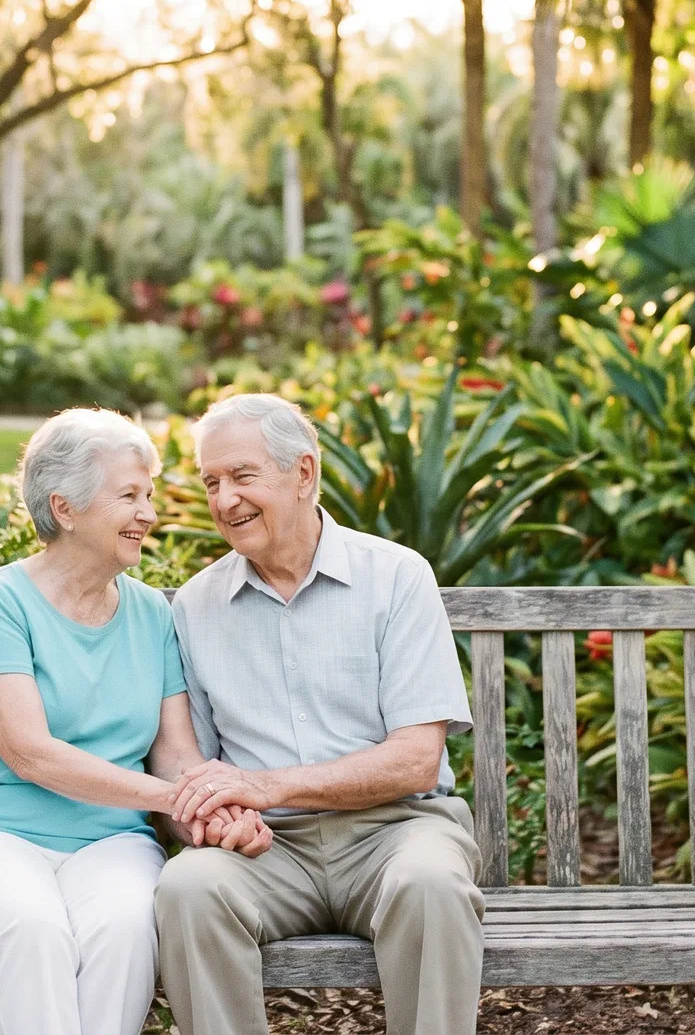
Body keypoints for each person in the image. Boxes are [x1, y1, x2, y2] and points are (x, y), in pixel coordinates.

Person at [0, 407, 272, 1035]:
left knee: (126, 928)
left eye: (149, 495)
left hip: (111, 843)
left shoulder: (152, 615)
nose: (149, 514)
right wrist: (176, 798)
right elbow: (32, 754)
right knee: (33, 927)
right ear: (65, 508)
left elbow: (176, 754)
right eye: (129, 496)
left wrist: (214, 808)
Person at [156, 393, 482, 1035]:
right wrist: (215, 818)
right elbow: (188, 761)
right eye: (212, 483)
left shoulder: (396, 577)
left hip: (396, 831)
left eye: (243, 477)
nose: (225, 501)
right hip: (267, 850)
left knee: (432, 886)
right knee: (188, 888)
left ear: (303, 473)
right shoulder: (195, 606)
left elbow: (416, 760)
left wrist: (265, 785)